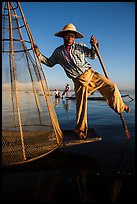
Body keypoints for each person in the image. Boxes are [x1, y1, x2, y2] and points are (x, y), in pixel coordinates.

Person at [33, 23, 130, 140]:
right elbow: (49, 63)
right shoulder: (58, 52)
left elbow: (93, 55)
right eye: (68, 35)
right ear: (63, 36)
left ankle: (121, 106)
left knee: (112, 86)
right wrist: (38, 54)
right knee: (81, 107)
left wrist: (94, 46)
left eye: (72, 36)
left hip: (91, 74)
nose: (70, 38)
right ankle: (80, 131)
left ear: (74, 37)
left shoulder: (80, 46)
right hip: (78, 81)